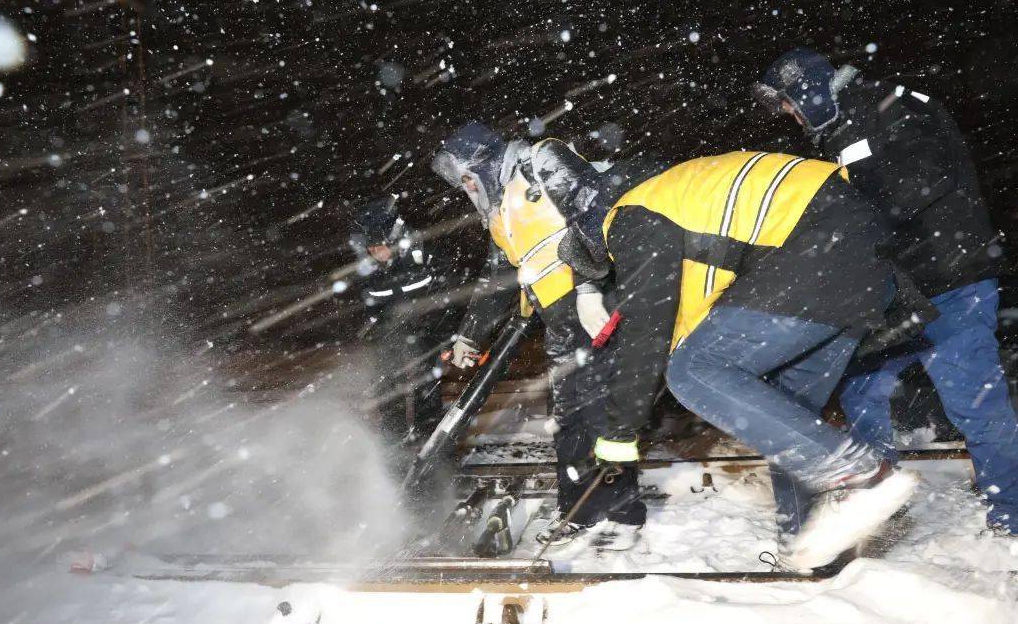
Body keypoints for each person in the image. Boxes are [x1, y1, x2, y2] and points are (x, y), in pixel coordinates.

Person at [563, 149, 920, 570]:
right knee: (786, 418)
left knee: (693, 372)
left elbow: (649, 333)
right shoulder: (677, 194)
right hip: (858, 266)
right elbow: (687, 315)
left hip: (815, 255)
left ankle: (862, 477)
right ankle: (810, 551)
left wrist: (620, 432)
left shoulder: (631, 215)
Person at [754, 48, 1018, 536]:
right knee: (860, 387)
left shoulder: (893, 104)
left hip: (950, 279)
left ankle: (1013, 515)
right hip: (899, 293)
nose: (790, 117)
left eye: (789, 104)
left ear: (805, 89)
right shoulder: (841, 132)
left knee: (974, 402)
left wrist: (852, 221)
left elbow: (923, 179)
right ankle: (883, 500)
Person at [431, 122, 645, 549]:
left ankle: (623, 512)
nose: (467, 188)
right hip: (561, 323)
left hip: (597, 306)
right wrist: (470, 335)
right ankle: (579, 511)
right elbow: (496, 278)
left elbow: (595, 215)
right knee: (568, 417)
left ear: (484, 163)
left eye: (468, 177)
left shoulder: (542, 161)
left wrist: (589, 288)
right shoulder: (498, 216)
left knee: (601, 413)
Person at [350, 196, 454, 467]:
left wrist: (443, 332)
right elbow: (370, 304)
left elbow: (446, 291)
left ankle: (429, 448)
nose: (378, 253)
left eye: (381, 247)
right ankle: (392, 447)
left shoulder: (420, 255)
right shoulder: (370, 272)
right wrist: (374, 328)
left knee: (425, 389)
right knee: (387, 388)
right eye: (373, 249)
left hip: (425, 331)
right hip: (389, 336)